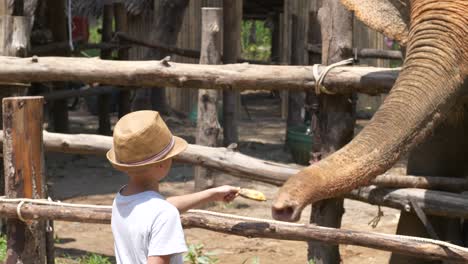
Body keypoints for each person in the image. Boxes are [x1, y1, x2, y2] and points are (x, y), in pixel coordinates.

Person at [106, 110, 239, 264]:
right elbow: (162, 212)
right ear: (163, 163)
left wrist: (213, 194)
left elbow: (159, 209)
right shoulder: (163, 214)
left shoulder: (122, 199)